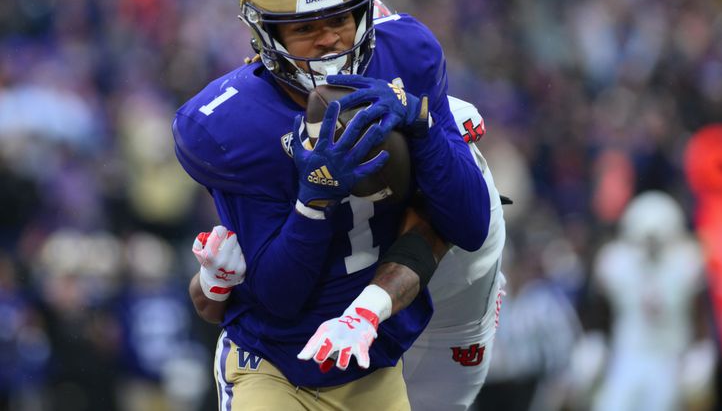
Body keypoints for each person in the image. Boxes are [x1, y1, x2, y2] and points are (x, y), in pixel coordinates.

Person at [172, 0, 491, 410]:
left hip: (373, 359)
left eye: (340, 19)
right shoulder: (226, 127)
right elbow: (279, 298)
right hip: (275, 363)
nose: (329, 40)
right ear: (264, 34)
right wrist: (315, 198)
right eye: (303, 28)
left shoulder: (407, 55)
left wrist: (422, 125)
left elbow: (470, 225)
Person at [190, 94, 507, 411]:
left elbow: (424, 244)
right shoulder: (281, 157)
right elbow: (227, 300)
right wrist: (214, 281)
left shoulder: (443, 154)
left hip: (450, 302)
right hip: (309, 356)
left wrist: (366, 311)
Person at [588, 191, 713, 411]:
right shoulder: (616, 262)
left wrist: (700, 351)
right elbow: (601, 310)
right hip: (627, 352)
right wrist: (595, 341)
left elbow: (699, 312)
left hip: (670, 355)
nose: (650, 246)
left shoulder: (687, 263)